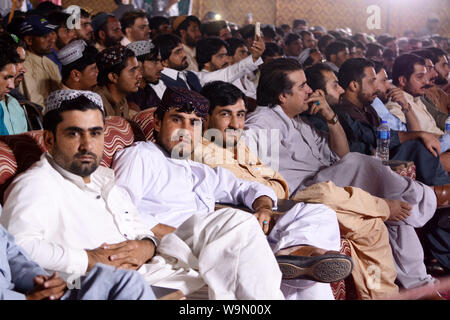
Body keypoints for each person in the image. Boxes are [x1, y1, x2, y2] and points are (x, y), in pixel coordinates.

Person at [0, 89, 285, 300]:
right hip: (104, 285)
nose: (88, 144)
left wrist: (146, 246)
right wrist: (88, 259)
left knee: (239, 268)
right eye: (74, 134)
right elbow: (19, 249)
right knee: (235, 239)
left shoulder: (103, 178)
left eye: (96, 133)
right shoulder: (36, 184)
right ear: (49, 139)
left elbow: (136, 225)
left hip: (152, 266)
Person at [113, 86, 353, 300]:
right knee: (236, 221)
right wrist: (173, 234)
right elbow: (120, 212)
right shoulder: (141, 156)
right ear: (157, 122)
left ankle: (290, 255)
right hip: (175, 246)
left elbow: (249, 187)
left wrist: (263, 208)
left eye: (194, 123)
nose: (186, 130)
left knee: (318, 213)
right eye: (177, 120)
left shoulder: (199, 171)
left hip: (216, 241)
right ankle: (285, 257)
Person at [244, 58, 446, 291]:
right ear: (282, 96)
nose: (310, 90)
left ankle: (420, 285)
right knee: (361, 162)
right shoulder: (263, 122)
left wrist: (330, 118)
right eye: (302, 86)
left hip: (330, 180)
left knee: (397, 209)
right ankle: (428, 197)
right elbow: (244, 157)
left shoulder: (299, 122)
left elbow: (340, 155)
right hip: (308, 192)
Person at [196, 80, 406, 299]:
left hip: (283, 203)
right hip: (263, 217)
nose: (236, 124)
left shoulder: (235, 144)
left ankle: (382, 294)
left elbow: (275, 181)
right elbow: (256, 188)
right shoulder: (201, 152)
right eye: (225, 115)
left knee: (371, 227)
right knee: (327, 194)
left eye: (240, 115)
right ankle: (382, 207)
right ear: (205, 118)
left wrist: (269, 189)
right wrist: (269, 192)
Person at [150, 33, 265, 100]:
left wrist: (253, 58)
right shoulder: (159, 84)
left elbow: (226, 74)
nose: (184, 55)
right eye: (178, 52)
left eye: (182, 50)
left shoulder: (189, 76)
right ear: (163, 61)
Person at [386, 54, 450, 154]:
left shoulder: (416, 96)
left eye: (425, 75)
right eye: (420, 77)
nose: (425, 81)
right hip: (432, 153)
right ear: (402, 80)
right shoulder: (395, 105)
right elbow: (411, 140)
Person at [18, 15, 61, 107]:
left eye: (51, 34)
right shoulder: (24, 65)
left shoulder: (49, 62)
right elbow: (36, 106)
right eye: (45, 36)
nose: (52, 40)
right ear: (29, 40)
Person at [94, 45, 142, 118]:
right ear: (113, 77)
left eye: (137, 69)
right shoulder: (96, 105)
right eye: (132, 70)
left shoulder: (122, 101)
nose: (139, 76)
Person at [126, 39, 163, 110]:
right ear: (137, 64)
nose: (161, 68)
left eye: (160, 61)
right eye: (155, 61)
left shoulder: (148, 91)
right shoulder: (127, 95)